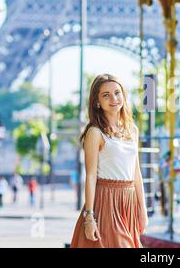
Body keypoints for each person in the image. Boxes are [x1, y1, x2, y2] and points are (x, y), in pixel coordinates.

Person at [70, 74, 148, 248]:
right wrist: (89, 217)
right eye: (106, 95)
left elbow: (136, 172)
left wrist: (142, 210)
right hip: (106, 200)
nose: (114, 98)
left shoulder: (132, 130)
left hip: (128, 201)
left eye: (117, 92)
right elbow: (90, 177)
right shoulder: (95, 133)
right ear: (97, 101)